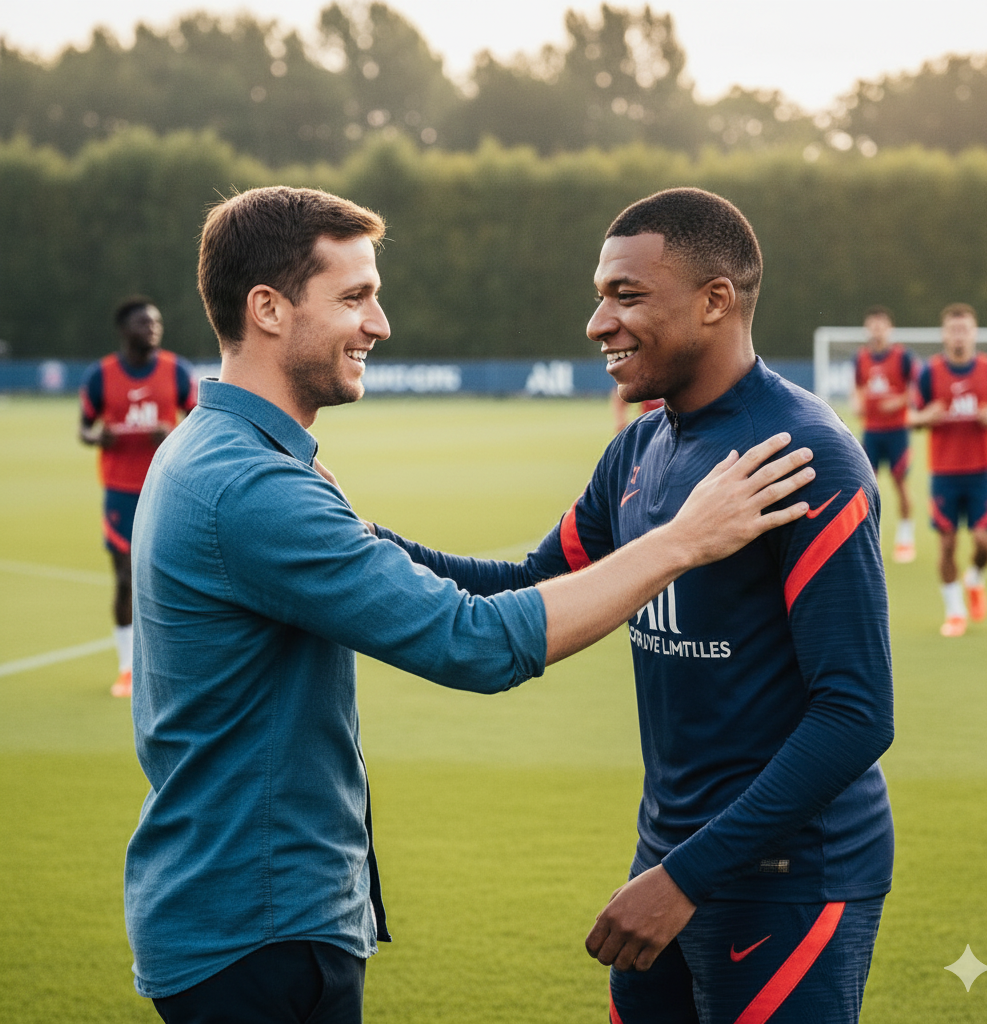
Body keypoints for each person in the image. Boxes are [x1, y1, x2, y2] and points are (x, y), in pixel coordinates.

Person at [125, 185, 814, 1024]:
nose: (379, 325)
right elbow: (475, 642)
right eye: (355, 298)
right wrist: (683, 540)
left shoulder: (213, 450)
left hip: (234, 913)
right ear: (267, 309)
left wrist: (368, 535)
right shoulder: (250, 487)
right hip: (257, 937)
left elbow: (510, 578)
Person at [376, 188, 895, 1024]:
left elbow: (857, 714)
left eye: (626, 295)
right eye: (599, 296)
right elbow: (528, 589)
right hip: (669, 862)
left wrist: (686, 876)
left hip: (784, 879)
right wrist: (355, 538)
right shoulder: (640, 449)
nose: (597, 322)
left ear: (715, 300)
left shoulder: (802, 458)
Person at [78, 297, 196, 697]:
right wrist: (99, 437)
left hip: (167, 488)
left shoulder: (176, 371)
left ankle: (174, 664)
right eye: (144, 323)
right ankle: (128, 669)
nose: (153, 328)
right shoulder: (102, 376)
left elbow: (200, 422)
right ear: (124, 329)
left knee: (175, 577)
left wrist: (173, 432)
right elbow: (83, 428)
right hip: (121, 495)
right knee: (125, 579)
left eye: (157, 322)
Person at [910, 303, 987, 637]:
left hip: (980, 471)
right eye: (953, 329)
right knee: (948, 545)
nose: (959, 335)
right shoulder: (930, 373)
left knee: (984, 543)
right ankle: (955, 612)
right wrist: (929, 416)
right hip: (944, 474)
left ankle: (975, 579)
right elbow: (912, 417)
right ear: (944, 334)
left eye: (964, 329)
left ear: (974, 332)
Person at [852, 306, 917, 562]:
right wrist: (857, 402)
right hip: (871, 431)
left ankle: (905, 536)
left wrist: (899, 401)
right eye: (872, 326)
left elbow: (916, 390)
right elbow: (858, 386)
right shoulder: (861, 358)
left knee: (900, 483)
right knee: (867, 485)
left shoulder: (903, 357)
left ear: (889, 328)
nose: (876, 331)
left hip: (897, 431)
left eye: (881, 326)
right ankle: (870, 536)